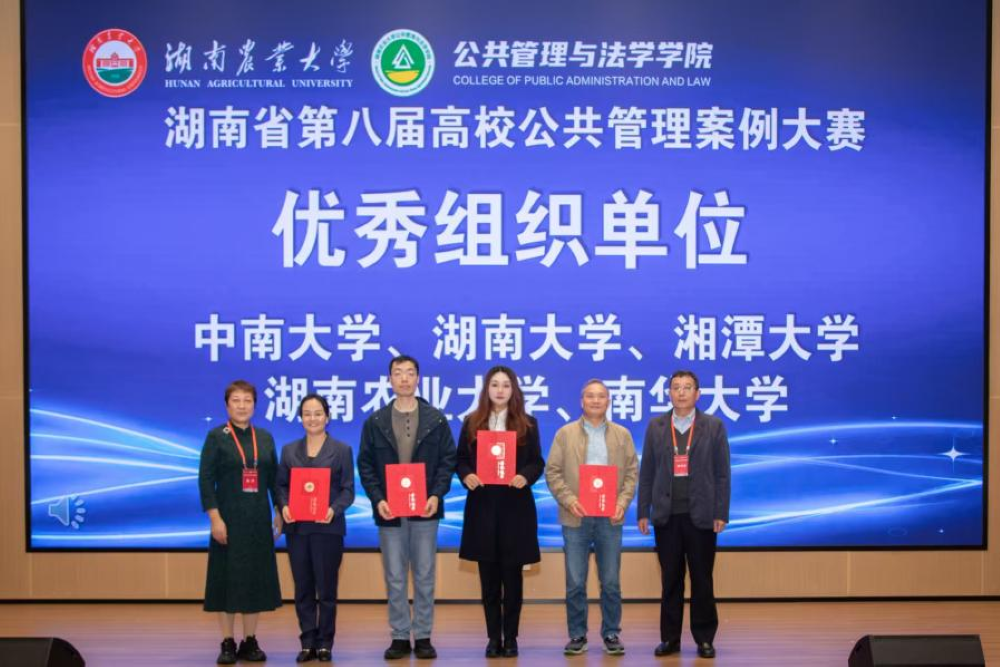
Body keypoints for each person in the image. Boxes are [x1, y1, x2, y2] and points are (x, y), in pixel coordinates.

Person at [357, 355, 457, 660]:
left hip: (425, 509)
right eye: (398, 373)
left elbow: (448, 461)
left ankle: (423, 635)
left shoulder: (436, 419)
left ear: (418, 378)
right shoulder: (375, 421)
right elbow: (366, 465)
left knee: (425, 574)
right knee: (395, 576)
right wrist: (378, 499)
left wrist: (436, 495)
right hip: (390, 510)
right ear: (389, 379)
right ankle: (400, 636)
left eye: (410, 373)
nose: (404, 378)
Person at [637, 370, 731, 659]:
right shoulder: (656, 426)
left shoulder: (713, 426)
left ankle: (704, 639)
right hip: (666, 516)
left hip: (701, 516)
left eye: (687, 387)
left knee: (702, 580)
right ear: (669, 393)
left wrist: (721, 512)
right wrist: (643, 511)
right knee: (671, 581)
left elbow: (722, 474)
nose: (681, 392)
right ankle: (670, 639)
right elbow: (647, 471)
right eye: (676, 387)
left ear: (697, 394)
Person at [545, 379, 638, 656]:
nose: (595, 400)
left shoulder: (622, 434)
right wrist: (569, 500)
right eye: (590, 396)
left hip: (610, 517)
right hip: (576, 517)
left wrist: (622, 503)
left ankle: (611, 632)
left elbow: (632, 473)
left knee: (610, 582)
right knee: (575, 581)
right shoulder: (565, 434)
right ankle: (577, 634)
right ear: (581, 401)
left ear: (608, 401)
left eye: (601, 396)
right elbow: (553, 471)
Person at [457, 366, 544, 658]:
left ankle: (512, 638)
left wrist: (525, 476)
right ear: (486, 389)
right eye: (494, 384)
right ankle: (493, 637)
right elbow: (460, 460)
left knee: (513, 580)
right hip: (482, 507)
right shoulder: (472, 422)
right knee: (489, 581)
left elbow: (537, 462)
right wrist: (467, 474)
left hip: (515, 509)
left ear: (513, 390)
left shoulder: (527, 424)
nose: (500, 390)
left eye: (506, 385)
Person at [199, 380, 283, 665]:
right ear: (227, 405)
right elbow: (205, 480)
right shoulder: (216, 437)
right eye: (236, 400)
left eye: (247, 400)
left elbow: (273, 480)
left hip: (258, 520)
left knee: (253, 580)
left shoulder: (265, 437)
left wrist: (278, 510)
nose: (242, 406)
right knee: (226, 581)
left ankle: (249, 641)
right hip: (228, 520)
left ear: (255, 405)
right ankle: (227, 641)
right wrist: (215, 518)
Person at [276, 394, 356, 663]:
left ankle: (325, 643)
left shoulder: (342, 450)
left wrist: (334, 508)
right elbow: (280, 486)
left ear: (327, 417)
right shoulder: (289, 451)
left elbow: (348, 490)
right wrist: (284, 506)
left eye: (318, 413)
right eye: (307, 414)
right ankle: (307, 641)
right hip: (297, 529)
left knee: (327, 589)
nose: (313, 418)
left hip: (328, 529)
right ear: (300, 418)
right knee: (303, 588)